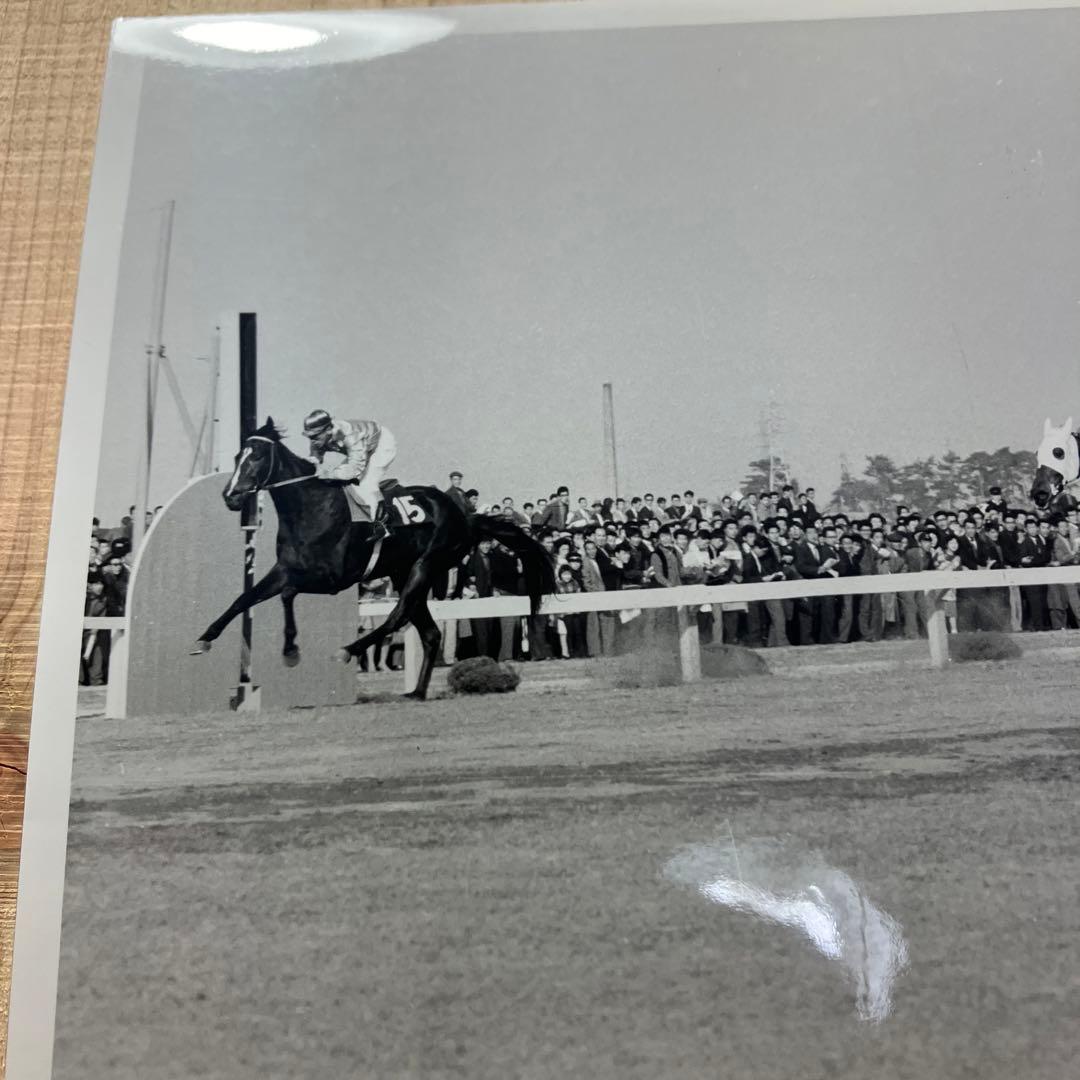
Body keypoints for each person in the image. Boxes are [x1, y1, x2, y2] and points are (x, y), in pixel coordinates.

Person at [303, 409, 398, 538]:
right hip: (362, 449)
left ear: (328, 430)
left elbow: (354, 471)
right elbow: (313, 462)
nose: (312, 441)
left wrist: (326, 474)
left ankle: (383, 525)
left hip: (382, 444)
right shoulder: (319, 439)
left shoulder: (351, 435)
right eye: (309, 437)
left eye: (315, 436)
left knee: (366, 484)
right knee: (339, 480)